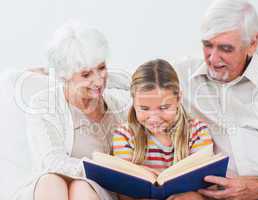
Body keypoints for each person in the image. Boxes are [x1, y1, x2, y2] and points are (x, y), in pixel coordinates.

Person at [170, 0, 258, 199]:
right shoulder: (183, 74)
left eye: (226, 49)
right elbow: (134, 81)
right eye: (207, 45)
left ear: (253, 43)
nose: (213, 59)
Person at [18, 23, 130, 200]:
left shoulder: (119, 108)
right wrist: (103, 168)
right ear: (65, 76)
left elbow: (136, 82)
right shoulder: (44, 105)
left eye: (102, 68)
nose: (99, 81)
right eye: (86, 75)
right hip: (51, 188)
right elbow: (51, 162)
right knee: (51, 180)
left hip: (94, 191)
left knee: (81, 188)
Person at [111, 59, 214, 199]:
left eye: (164, 108)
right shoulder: (124, 135)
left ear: (178, 99)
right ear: (133, 102)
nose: (154, 118)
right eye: (144, 109)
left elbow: (206, 183)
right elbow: (124, 191)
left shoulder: (197, 131)